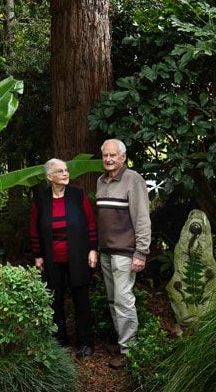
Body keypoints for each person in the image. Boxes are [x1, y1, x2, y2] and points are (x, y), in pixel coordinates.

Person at [30, 158, 98, 358]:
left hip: (77, 256)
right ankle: (60, 340)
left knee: (81, 300)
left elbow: (91, 224)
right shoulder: (40, 200)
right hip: (52, 259)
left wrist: (93, 249)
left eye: (66, 170)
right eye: (60, 171)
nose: (65, 174)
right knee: (55, 299)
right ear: (50, 177)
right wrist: (38, 256)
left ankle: (85, 342)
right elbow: (34, 230)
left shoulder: (78, 196)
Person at [96, 139, 151, 368]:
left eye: (113, 155)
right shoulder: (101, 181)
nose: (108, 159)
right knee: (113, 299)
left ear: (123, 157)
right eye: (105, 156)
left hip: (126, 252)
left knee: (124, 300)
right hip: (106, 251)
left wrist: (141, 252)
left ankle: (129, 352)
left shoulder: (133, 180)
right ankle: (122, 342)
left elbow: (142, 218)